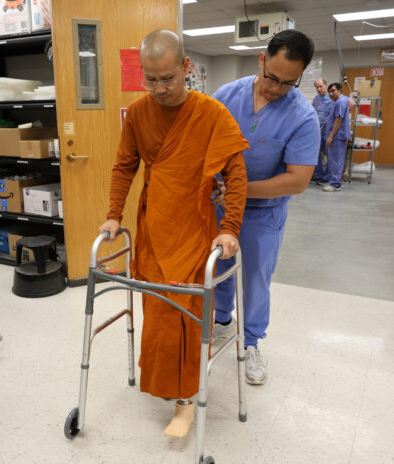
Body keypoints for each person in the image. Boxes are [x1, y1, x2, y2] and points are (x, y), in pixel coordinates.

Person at [97, 29, 248, 438]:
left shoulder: (212, 113)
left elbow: (236, 175)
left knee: (186, 315)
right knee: (159, 315)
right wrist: (114, 215)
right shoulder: (139, 113)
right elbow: (123, 166)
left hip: (195, 230)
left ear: (186, 68)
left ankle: (185, 400)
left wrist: (230, 227)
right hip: (152, 227)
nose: (160, 88)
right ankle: (167, 386)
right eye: (151, 79)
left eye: (168, 78)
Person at [210, 30, 320, 385]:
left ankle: (252, 341)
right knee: (218, 267)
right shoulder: (226, 96)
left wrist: (240, 193)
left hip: (262, 213)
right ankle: (222, 319)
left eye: (287, 83)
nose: (275, 88)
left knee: (256, 279)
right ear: (261, 59)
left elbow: (297, 180)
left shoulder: (303, 117)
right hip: (218, 206)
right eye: (271, 77)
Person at [323, 82, 350, 192]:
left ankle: (336, 184)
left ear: (340, 90)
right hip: (337, 136)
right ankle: (334, 181)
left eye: (333, 91)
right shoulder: (341, 100)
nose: (331, 93)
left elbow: (339, 120)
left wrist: (330, 136)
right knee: (334, 160)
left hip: (337, 136)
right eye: (329, 92)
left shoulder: (340, 102)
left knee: (336, 160)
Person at [311, 77, 333, 184]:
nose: (319, 89)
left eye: (321, 86)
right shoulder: (316, 99)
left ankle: (328, 177)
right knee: (315, 154)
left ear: (326, 85)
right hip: (317, 132)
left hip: (329, 132)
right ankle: (318, 175)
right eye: (317, 87)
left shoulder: (332, 99)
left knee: (330, 155)